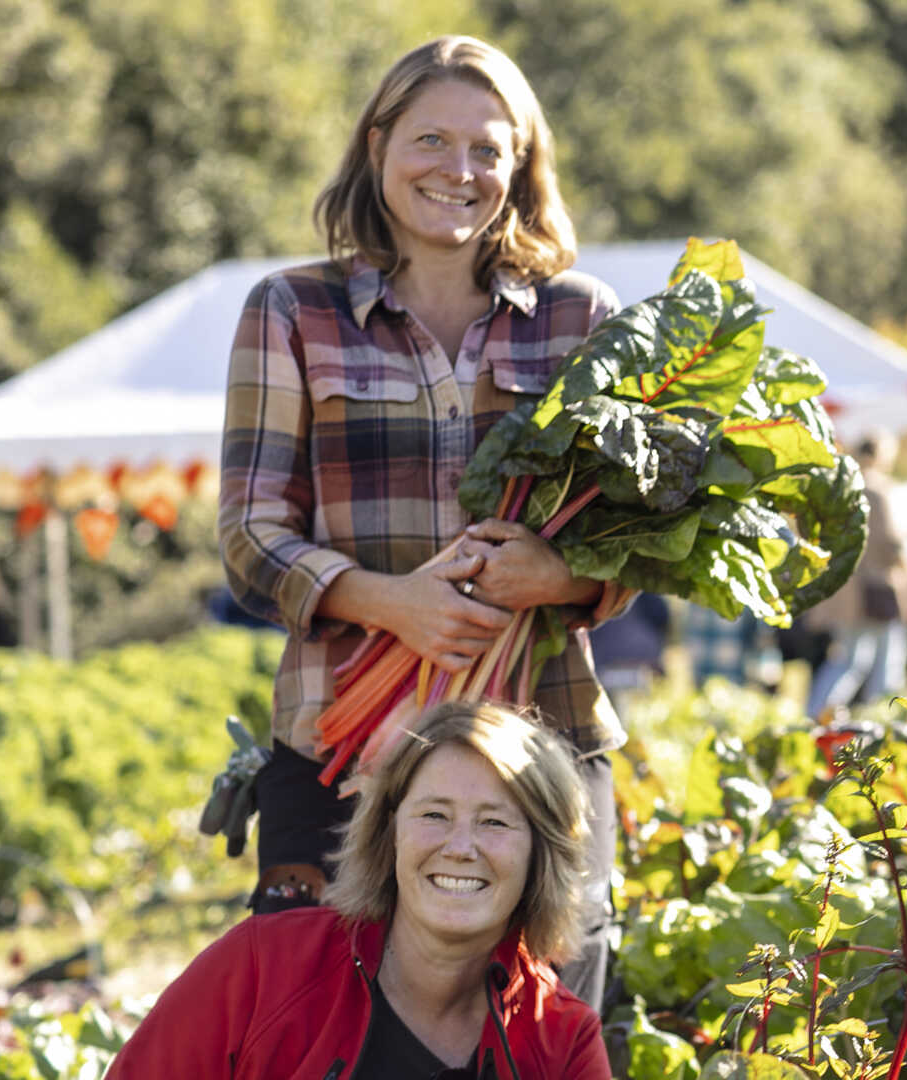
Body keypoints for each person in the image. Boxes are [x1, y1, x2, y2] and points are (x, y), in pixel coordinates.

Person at [217, 35, 629, 1004]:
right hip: (338, 747)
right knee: (324, 1023)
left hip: (545, 737)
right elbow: (249, 534)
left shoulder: (583, 320)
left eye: (490, 149)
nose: (461, 170)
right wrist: (392, 605)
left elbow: (637, 539)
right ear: (377, 147)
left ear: (521, 167)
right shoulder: (290, 310)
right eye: (431, 141)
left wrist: (558, 577)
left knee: (546, 1023)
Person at [106, 702, 612, 1078]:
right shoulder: (261, 966)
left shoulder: (563, 1041)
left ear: (540, 855)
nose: (460, 847)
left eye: (495, 823)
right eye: (434, 814)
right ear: (388, 833)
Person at [804, 431, 907, 717]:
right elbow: (893, 543)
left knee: (848, 660)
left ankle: (817, 716)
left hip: (846, 587)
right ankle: (882, 720)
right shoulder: (878, 489)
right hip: (879, 589)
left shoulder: (840, 486)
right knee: (885, 664)